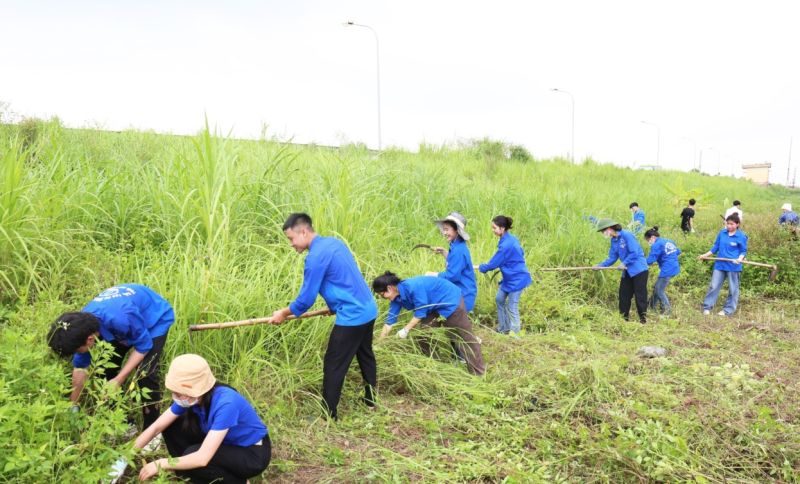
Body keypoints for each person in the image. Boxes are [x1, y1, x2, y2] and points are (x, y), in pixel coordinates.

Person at [268, 213, 377, 420]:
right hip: (368, 308)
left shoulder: (315, 257)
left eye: (291, 239)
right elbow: (343, 278)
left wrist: (283, 313)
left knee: (333, 364)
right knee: (365, 354)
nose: (291, 244)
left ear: (304, 231)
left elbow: (306, 299)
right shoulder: (334, 243)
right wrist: (333, 305)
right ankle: (371, 400)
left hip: (353, 316)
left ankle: (328, 415)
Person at [47, 284, 174, 428]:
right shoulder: (80, 327)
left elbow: (143, 346)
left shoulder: (120, 319)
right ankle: (123, 424)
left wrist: (119, 379)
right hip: (125, 323)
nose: (78, 354)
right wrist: (73, 405)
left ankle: (152, 430)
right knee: (103, 367)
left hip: (154, 319)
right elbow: (80, 368)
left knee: (145, 373)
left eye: (77, 351)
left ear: (89, 340)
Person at [134, 354, 270, 483]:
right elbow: (156, 427)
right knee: (171, 425)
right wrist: (125, 455)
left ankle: (238, 481)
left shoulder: (226, 403)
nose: (175, 397)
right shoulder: (191, 398)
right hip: (223, 442)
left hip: (250, 453)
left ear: (196, 390)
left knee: (194, 456)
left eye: (178, 393)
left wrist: (163, 463)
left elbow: (202, 458)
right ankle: (188, 473)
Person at [372, 272, 485, 375]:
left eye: (382, 295)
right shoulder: (396, 298)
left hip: (449, 301)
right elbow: (390, 321)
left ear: (389, 288)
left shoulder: (413, 287)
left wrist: (405, 330)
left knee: (463, 337)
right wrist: (380, 343)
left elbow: (420, 313)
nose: (383, 298)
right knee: (424, 336)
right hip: (431, 307)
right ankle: (435, 366)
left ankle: (478, 373)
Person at [477, 215, 532, 335]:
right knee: (499, 299)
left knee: (512, 305)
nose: (493, 230)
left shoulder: (506, 245)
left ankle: (515, 334)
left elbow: (493, 264)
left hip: (518, 278)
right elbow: (519, 253)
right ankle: (504, 328)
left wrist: (483, 267)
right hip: (509, 278)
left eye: (494, 228)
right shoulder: (510, 239)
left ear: (502, 229)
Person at [594, 219, 649, 323]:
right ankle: (624, 319)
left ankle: (643, 319)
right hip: (627, 271)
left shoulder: (626, 235)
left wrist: (624, 263)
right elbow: (612, 258)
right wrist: (601, 265)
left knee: (640, 295)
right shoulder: (613, 240)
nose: (603, 234)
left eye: (603, 231)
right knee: (624, 295)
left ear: (609, 229)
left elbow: (634, 252)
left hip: (639, 269)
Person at [426, 212, 477, 312]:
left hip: (464, 296)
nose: (444, 233)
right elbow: (456, 263)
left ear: (457, 230)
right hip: (462, 292)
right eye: (443, 229)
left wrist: (434, 274)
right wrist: (445, 253)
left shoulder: (458, 250)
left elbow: (453, 276)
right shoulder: (456, 245)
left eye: (446, 229)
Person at [699, 213, 748, 316]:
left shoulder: (741, 236)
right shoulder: (722, 233)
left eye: (732, 224)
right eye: (727, 224)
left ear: (737, 224)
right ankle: (707, 307)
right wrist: (705, 255)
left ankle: (728, 310)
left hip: (733, 266)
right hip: (720, 265)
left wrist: (739, 259)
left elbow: (743, 251)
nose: (729, 226)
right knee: (713, 286)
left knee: (733, 289)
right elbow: (715, 247)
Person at [644, 226, 681, 316]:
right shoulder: (669, 241)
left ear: (652, 237)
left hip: (667, 269)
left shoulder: (656, 245)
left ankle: (667, 311)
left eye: (648, 240)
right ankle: (650, 306)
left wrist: (639, 263)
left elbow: (650, 260)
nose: (648, 242)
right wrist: (666, 258)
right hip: (674, 266)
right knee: (657, 287)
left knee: (659, 290)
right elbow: (678, 251)